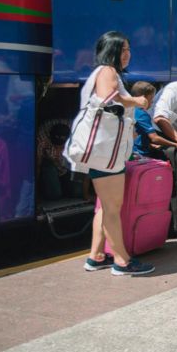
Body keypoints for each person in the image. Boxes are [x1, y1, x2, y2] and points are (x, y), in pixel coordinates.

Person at [72, 31, 155, 276]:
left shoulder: (106, 72)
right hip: (106, 153)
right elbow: (110, 98)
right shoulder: (107, 71)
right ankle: (122, 261)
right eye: (123, 49)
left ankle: (96, 256)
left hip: (106, 153)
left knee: (104, 207)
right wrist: (138, 101)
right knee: (111, 207)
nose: (128, 54)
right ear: (112, 51)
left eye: (129, 49)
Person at [130, 81, 177, 158]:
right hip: (140, 154)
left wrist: (149, 144)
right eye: (151, 99)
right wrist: (176, 144)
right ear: (143, 98)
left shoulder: (129, 110)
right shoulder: (142, 114)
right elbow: (154, 138)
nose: (152, 102)